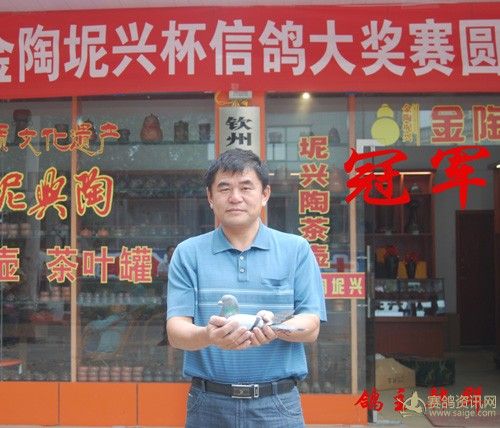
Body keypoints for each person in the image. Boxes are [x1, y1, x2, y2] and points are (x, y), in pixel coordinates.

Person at [167, 148, 326, 427]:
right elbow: (176, 332)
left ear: (265, 194)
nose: (235, 197)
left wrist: (275, 327)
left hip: (277, 405)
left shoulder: (296, 250)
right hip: (208, 405)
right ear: (210, 197)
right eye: (224, 188)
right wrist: (209, 336)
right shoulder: (188, 253)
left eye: (246, 187)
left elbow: (311, 326)